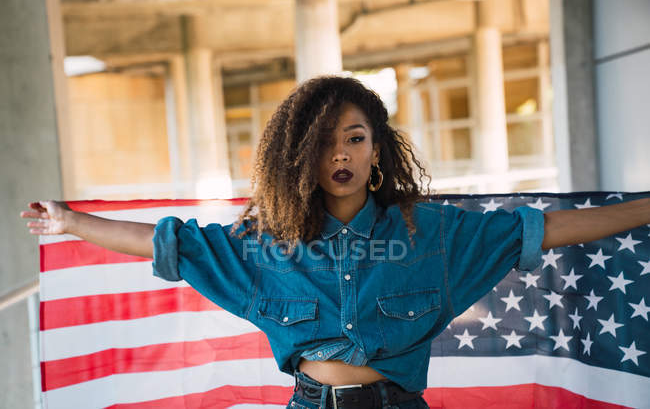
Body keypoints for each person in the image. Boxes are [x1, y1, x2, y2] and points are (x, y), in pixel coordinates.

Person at [21, 76, 650, 409]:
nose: (340, 154)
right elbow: (172, 245)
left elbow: (545, 229)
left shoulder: (431, 234)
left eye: (353, 137)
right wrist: (71, 222)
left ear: (376, 148)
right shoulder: (263, 246)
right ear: (301, 155)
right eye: (324, 141)